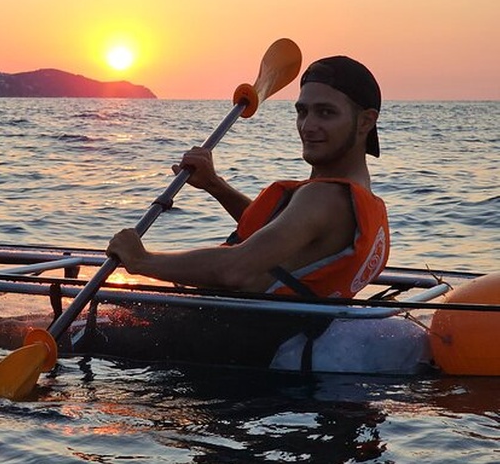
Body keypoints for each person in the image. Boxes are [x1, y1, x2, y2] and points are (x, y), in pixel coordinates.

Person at [102, 55, 390, 367]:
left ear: (365, 121)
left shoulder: (324, 198)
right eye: (302, 111)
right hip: (264, 344)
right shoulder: (354, 198)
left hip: (216, 347)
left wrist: (141, 260)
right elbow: (283, 245)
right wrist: (216, 185)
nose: (308, 126)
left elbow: (235, 269)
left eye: (326, 113)